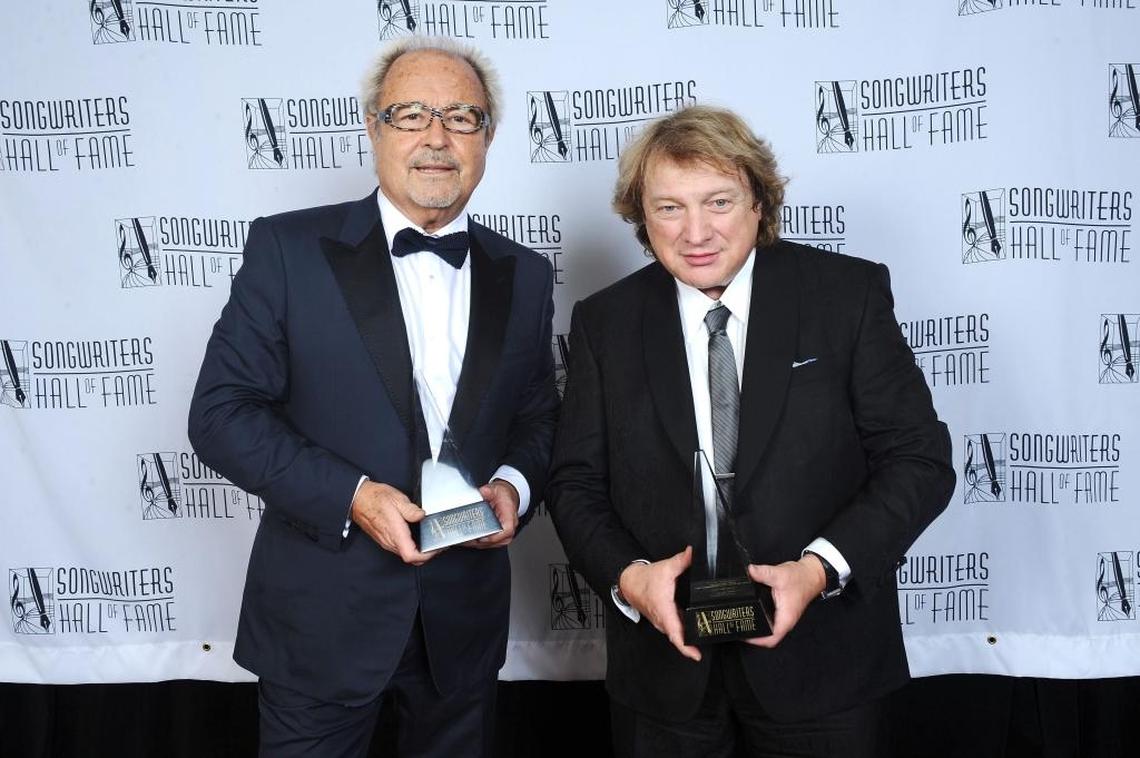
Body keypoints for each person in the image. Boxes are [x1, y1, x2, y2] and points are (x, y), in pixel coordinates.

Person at [546, 105, 955, 758]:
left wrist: (819, 571)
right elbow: (574, 482)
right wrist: (628, 579)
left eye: (718, 201)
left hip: (823, 664)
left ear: (760, 203)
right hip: (664, 673)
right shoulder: (605, 322)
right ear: (641, 218)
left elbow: (918, 460)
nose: (696, 231)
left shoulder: (846, 295)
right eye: (670, 208)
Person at [188, 37, 558, 758]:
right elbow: (221, 414)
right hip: (322, 622)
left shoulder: (528, 274)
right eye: (412, 114)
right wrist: (354, 495)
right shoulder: (288, 251)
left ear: (487, 137)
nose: (436, 138)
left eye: (462, 117)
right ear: (374, 128)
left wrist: (514, 486)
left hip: (463, 627)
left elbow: (538, 414)